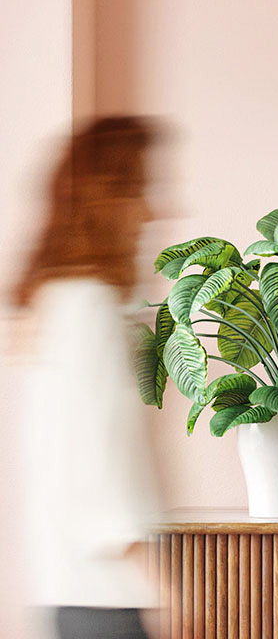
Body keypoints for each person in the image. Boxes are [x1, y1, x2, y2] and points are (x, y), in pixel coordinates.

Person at [12, 117, 163, 637]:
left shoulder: (62, 303)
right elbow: (95, 465)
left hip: (78, 595)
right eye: (141, 191)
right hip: (108, 601)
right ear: (107, 199)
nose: (152, 211)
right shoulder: (85, 307)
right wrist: (160, 581)